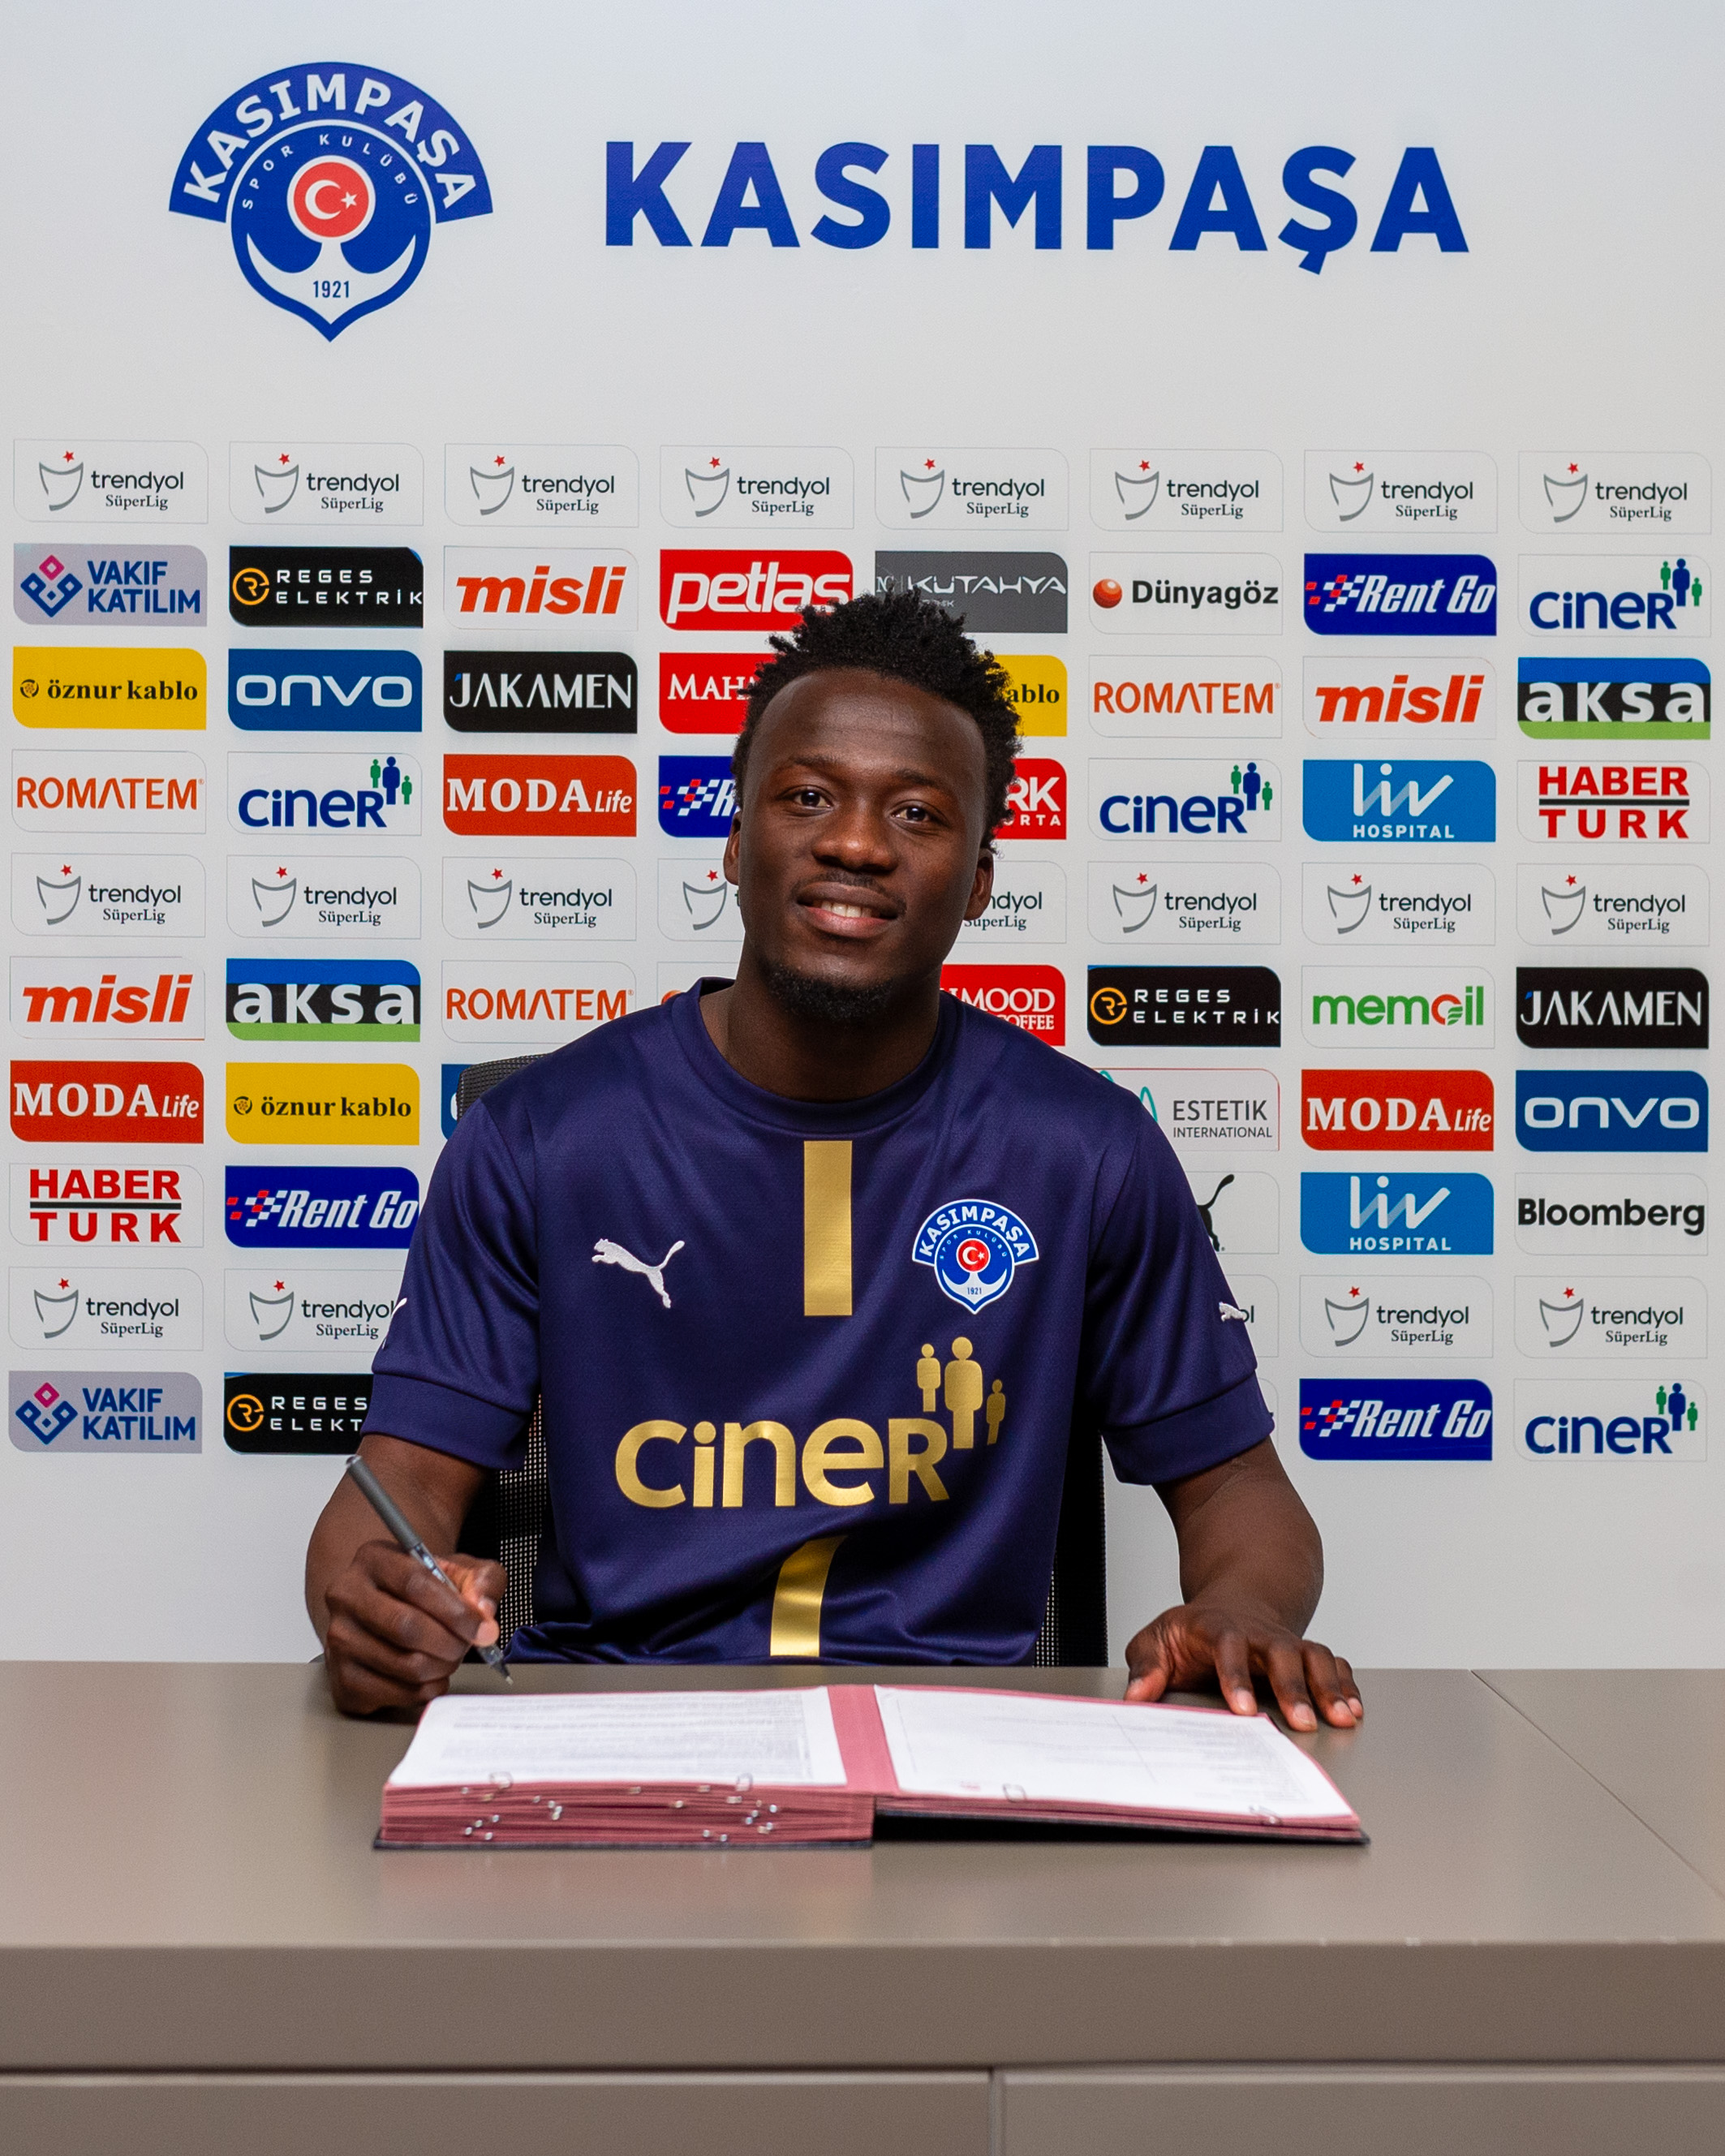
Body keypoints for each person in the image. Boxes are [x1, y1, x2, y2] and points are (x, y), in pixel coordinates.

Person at [308, 590, 1361, 1733]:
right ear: (734, 840)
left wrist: (1240, 1608)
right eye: (807, 795)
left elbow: (1236, 1485)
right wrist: (378, 1599)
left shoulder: (1085, 1150)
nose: (856, 842)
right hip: (613, 1724)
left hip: (964, 1741)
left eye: (917, 812)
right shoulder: (539, 1136)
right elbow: (398, 1486)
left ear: (979, 881)